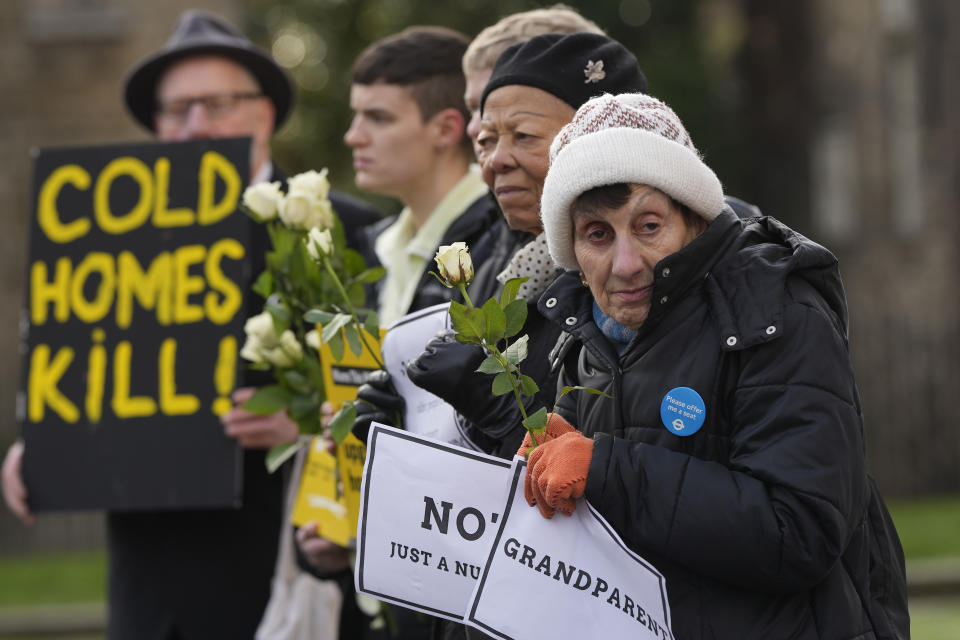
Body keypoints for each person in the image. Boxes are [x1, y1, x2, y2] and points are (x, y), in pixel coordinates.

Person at [2, 10, 381, 640]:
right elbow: (88, 366)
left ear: (264, 113)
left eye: (216, 103)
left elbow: (371, 394)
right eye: (176, 111)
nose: (196, 125)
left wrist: (306, 426)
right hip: (150, 586)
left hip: (282, 575)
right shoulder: (110, 234)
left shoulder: (337, 229)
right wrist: (47, 442)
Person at [518, 91, 910, 639]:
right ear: (573, 255)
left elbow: (799, 530)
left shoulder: (775, 312)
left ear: (695, 220)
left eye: (649, 225)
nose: (625, 264)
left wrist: (605, 469)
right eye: (597, 235)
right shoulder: (584, 342)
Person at [344, 26, 500, 328]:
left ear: (445, 130)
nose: (353, 136)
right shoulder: (380, 242)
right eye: (356, 115)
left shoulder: (499, 240)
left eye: (378, 118)